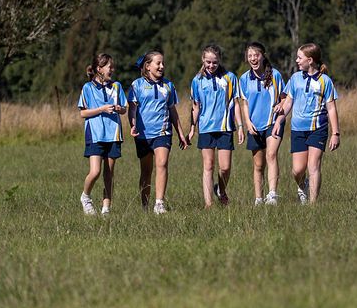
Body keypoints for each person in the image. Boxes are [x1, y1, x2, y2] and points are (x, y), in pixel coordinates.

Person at [273, 43, 340, 204]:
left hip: (318, 128)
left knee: (313, 166)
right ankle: (302, 186)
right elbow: (288, 102)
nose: (296, 60)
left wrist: (335, 133)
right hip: (298, 129)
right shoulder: (295, 78)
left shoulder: (325, 81)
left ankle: (313, 205)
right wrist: (279, 121)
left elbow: (331, 108)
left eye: (299, 58)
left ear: (310, 60)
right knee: (297, 171)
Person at [128, 50, 189, 214]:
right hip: (143, 134)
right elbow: (132, 109)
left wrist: (180, 133)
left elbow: (173, 111)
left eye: (163, 63)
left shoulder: (168, 86)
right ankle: (145, 206)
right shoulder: (136, 85)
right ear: (148, 66)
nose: (162, 66)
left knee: (162, 164)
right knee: (146, 171)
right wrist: (132, 125)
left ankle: (159, 203)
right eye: (158, 63)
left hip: (163, 133)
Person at [187, 44, 242, 209]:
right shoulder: (197, 80)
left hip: (225, 127)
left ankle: (221, 190)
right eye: (208, 62)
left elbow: (235, 104)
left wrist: (240, 126)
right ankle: (208, 204)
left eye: (215, 62)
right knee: (208, 165)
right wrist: (192, 128)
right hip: (206, 128)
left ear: (220, 61)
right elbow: (195, 107)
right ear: (203, 60)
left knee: (225, 167)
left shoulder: (230, 78)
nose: (211, 65)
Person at [237, 42, 286, 205]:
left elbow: (285, 97)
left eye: (256, 55)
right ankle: (258, 198)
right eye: (250, 56)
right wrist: (247, 122)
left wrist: (281, 105)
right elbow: (244, 103)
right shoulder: (244, 78)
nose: (253, 58)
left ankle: (272, 195)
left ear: (263, 56)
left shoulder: (275, 75)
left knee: (271, 155)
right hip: (254, 125)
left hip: (273, 122)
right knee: (258, 165)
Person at [78, 53, 128, 215]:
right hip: (95, 135)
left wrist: (120, 109)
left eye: (112, 67)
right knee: (95, 172)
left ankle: (106, 209)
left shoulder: (117, 86)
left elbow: (124, 109)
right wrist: (102, 109)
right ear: (99, 69)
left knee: (109, 174)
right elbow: (83, 113)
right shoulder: (87, 88)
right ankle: (86, 197)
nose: (112, 70)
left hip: (113, 134)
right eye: (109, 67)